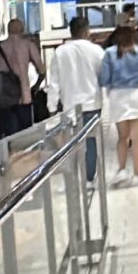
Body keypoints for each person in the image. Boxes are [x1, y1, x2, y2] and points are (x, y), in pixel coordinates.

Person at [46, 17, 107, 181]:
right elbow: (104, 76)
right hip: (92, 104)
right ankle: (89, 176)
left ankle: (72, 175)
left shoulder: (60, 52)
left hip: (69, 106)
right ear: (87, 31)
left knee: (70, 143)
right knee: (91, 141)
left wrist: (52, 107)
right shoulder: (96, 50)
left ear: (70, 31)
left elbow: (54, 82)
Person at [101, 23, 138, 185]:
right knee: (137, 138)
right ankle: (137, 175)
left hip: (118, 97)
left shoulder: (109, 53)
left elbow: (104, 79)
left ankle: (121, 170)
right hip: (137, 95)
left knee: (123, 138)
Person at [0, 17, 44, 137]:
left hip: (5, 97)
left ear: (8, 30)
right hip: (24, 96)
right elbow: (42, 71)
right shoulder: (29, 45)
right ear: (22, 30)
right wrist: (35, 87)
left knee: (10, 136)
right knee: (26, 135)